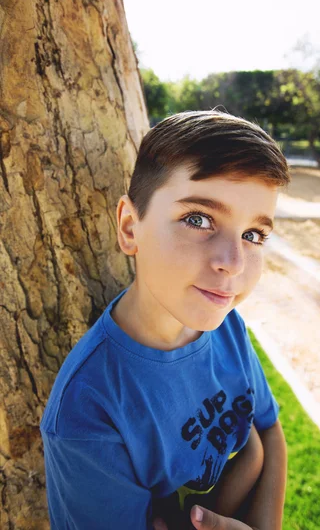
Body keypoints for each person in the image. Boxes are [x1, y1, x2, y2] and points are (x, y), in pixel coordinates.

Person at [40, 110, 290, 530]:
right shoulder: (87, 413)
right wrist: (250, 460)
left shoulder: (227, 326)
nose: (232, 263)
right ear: (129, 228)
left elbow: (270, 433)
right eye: (199, 219)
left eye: (253, 235)